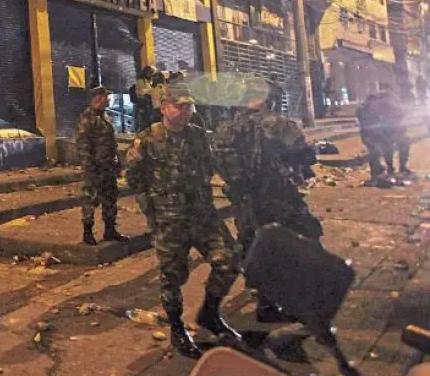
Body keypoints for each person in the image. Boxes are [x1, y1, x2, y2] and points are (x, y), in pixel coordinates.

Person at [126, 84, 241, 359]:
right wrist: (152, 211)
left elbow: (211, 166)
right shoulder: (148, 139)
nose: (186, 110)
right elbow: (134, 179)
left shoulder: (198, 135)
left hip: (203, 216)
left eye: (189, 105)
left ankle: (209, 314)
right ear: (164, 108)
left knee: (229, 260)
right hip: (170, 220)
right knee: (172, 277)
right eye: (180, 106)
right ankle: (177, 329)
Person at [212, 78, 322, 322]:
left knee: (252, 244)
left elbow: (219, 165)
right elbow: (306, 156)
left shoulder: (224, 129)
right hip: (277, 197)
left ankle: (265, 301)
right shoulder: (279, 124)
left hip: (243, 200)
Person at [75, 86, 127, 246]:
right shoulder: (87, 118)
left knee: (110, 198)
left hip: (108, 166)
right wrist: (89, 167)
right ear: (98, 98)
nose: (109, 100)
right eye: (106, 97)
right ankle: (88, 232)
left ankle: (110, 230)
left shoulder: (105, 117)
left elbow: (112, 143)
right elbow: (83, 145)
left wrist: (118, 163)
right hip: (94, 168)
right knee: (90, 199)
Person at [357, 93, 393, 187]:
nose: (375, 104)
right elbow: (365, 124)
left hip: (377, 134)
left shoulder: (375, 110)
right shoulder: (363, 111)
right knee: (374, 153)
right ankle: (376, 173)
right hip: (368, 135)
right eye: (374, 102)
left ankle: (379, 172)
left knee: (378, 152)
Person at [131, 66, 158, 132]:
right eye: (150, 72)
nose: (151, 74)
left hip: (150, 104)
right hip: (143, 105)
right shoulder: (141, 80)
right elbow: (140, 92)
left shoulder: (150, 80)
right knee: (144, 122)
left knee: (149, 121)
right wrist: (150, 91)